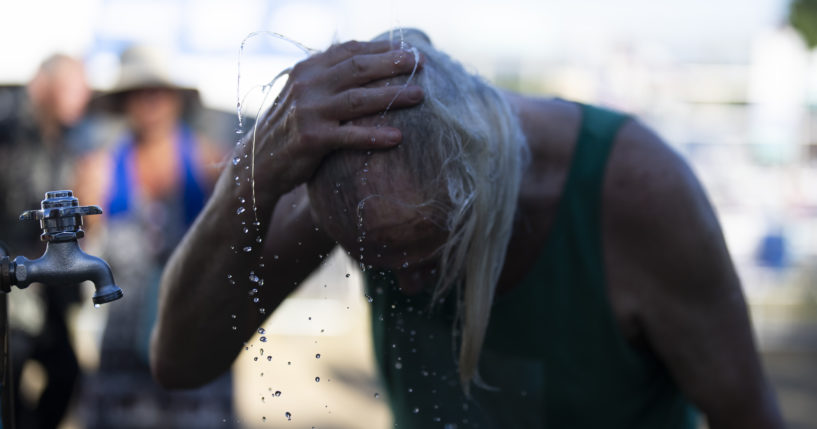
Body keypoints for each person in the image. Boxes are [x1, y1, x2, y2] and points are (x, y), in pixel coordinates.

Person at [150, 29, 785, 428]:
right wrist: (247, 176)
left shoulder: (637, 195)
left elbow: (748, 414)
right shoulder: (354, 185)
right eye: (373, 258)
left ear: (482, 188)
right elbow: (179, 361)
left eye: (429, 249)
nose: (408, 282)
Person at [73, 44, 229, 428]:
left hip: (194, 341)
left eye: (158, 92)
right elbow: (81, 253)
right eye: (139, 94)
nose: (151, 103)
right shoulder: (100, 171)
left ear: (176, 100)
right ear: (124, 103)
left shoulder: (210, 162)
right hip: (123, 350)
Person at [0, 53, 92, 429]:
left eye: (81, 87)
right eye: (70, 85)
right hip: (11, 275)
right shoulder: (11, 132)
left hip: (43, 284)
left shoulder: (65, 142)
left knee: (66, 372)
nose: (80, 95)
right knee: (13, 368)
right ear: (45, 86)